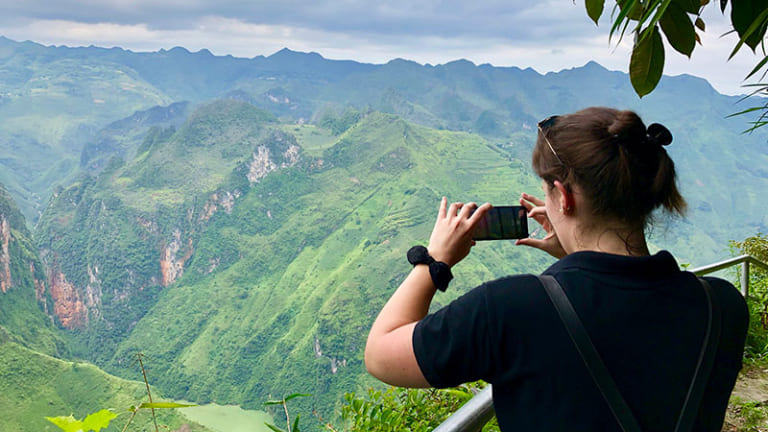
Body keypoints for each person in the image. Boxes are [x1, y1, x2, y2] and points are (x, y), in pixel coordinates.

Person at [364, 107, 748, 431]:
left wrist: (434, 261)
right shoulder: (723, 306)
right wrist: (574, 259)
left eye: (546, 190)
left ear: (563, 196)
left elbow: (381, 355)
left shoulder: (512, 308)